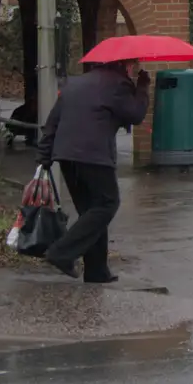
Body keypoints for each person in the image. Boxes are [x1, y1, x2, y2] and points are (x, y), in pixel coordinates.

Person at [36, 60, 150, 282]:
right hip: (94, 155)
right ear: (122, 66)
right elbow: (136, 114)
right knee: (107, 204)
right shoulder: (117, 85)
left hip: (66, 155)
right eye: (131, 65)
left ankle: (96, 270)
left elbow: (52, 123)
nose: (132, 69)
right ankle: (61, 252)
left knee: (91, 211)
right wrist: (143, 87)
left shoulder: (74, 84)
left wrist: (44, 156)